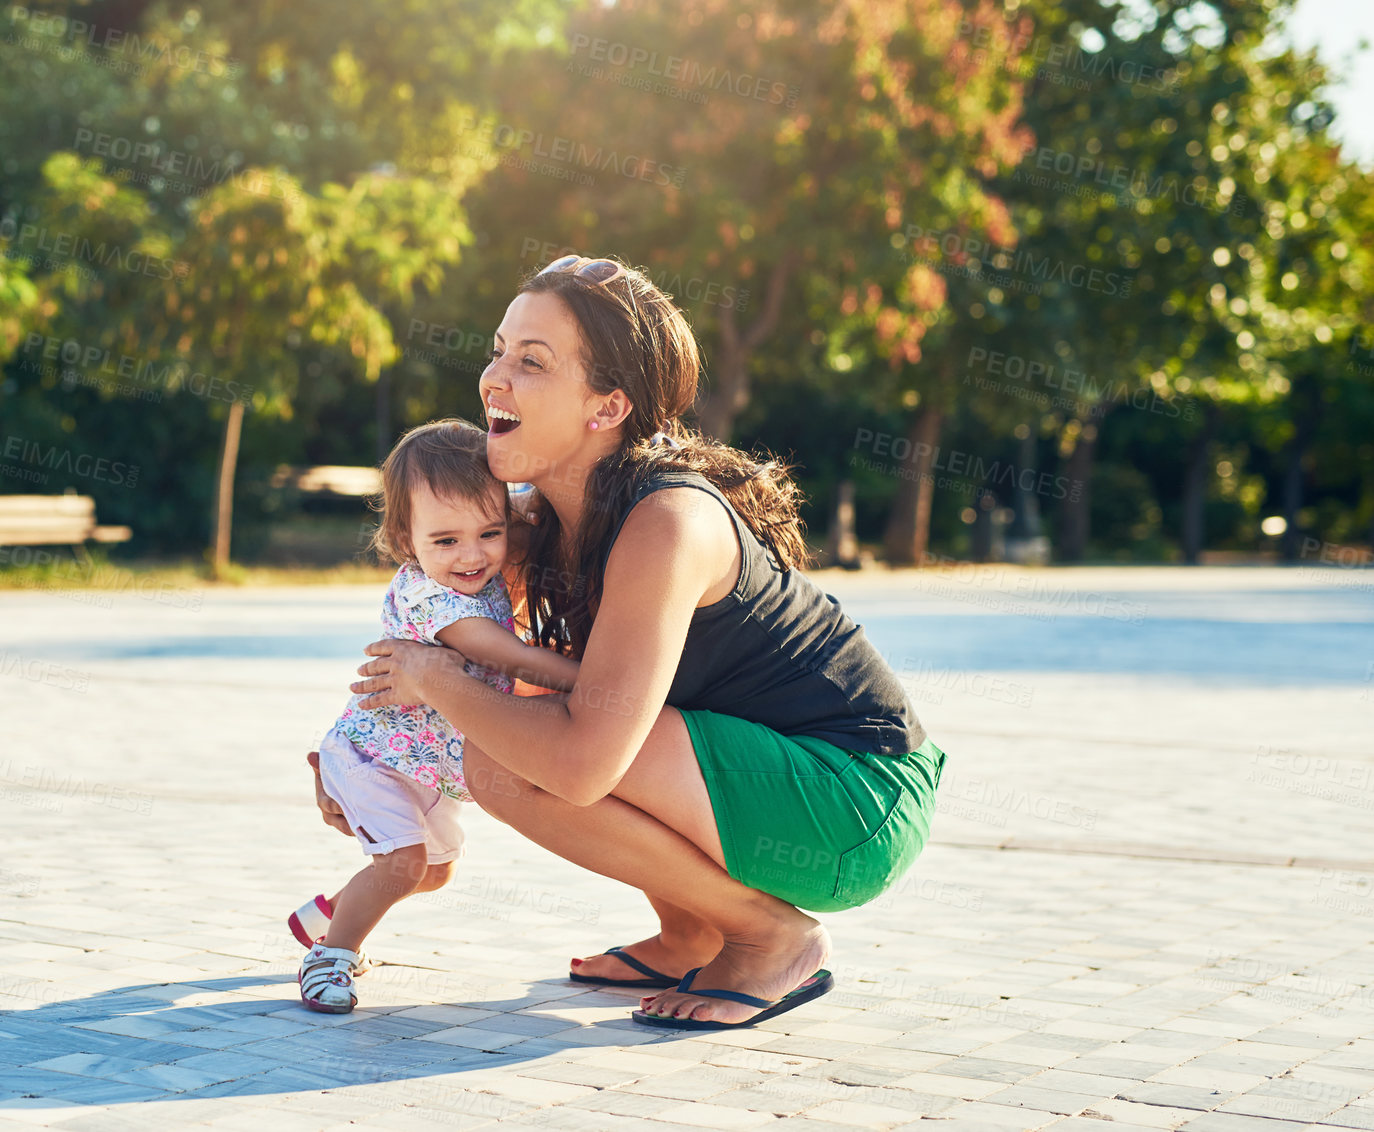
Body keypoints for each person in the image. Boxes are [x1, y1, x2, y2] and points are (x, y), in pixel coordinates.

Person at [330, 255, 947, 1030]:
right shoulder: (533, 525)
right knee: (536, 712)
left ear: (608, 405)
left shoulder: (667, 522)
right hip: (775, 782)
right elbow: (440, 630)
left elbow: (583, 765)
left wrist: (432, 678)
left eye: (532, 361)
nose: (494, 377)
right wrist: (361, 762)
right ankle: (691, 930)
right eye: (497, 351)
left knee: (532, 744)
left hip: (858, 800)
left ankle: (767, 937)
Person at [292, 419, 582, 1014]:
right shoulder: (433, 598)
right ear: (406, 539)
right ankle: (329, 958)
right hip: (374, 756)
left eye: (489, 532)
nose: (472, 556)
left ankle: (326, 914)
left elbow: (535, 506)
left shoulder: (477, 553)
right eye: (446, 541)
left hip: (426, 768)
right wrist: (605, 684)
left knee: (433, 873)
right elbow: (511, 657)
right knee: (403, 863)